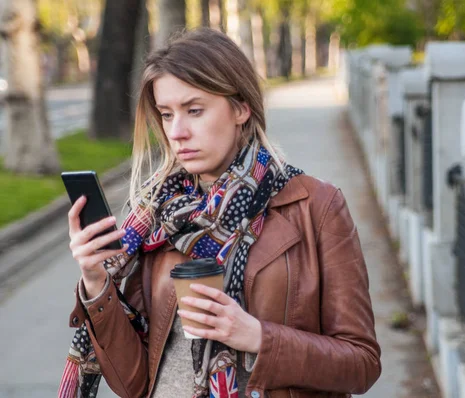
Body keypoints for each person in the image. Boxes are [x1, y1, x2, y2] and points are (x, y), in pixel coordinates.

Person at [59, 28, 381, 398]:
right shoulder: (154, 218)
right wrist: (97, 282)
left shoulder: (315, 206)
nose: (177, 132)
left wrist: (258, 337)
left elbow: (361, 363)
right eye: (166, 114)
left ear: (241, 108)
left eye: (194, 110)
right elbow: (132, 384)